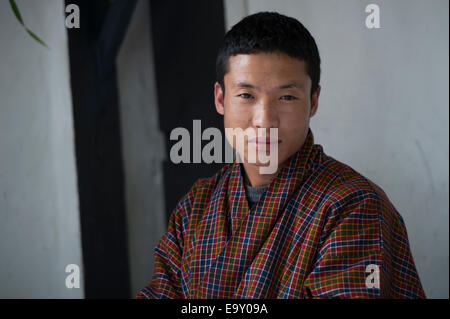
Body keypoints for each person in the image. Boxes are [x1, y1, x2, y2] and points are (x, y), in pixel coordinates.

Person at [136, 11, 426, 298]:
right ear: (220, 99)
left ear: (313, 102)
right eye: (247, 95)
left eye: (286, 97)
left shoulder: (352, 205)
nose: (264, 120)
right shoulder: (195, 207)